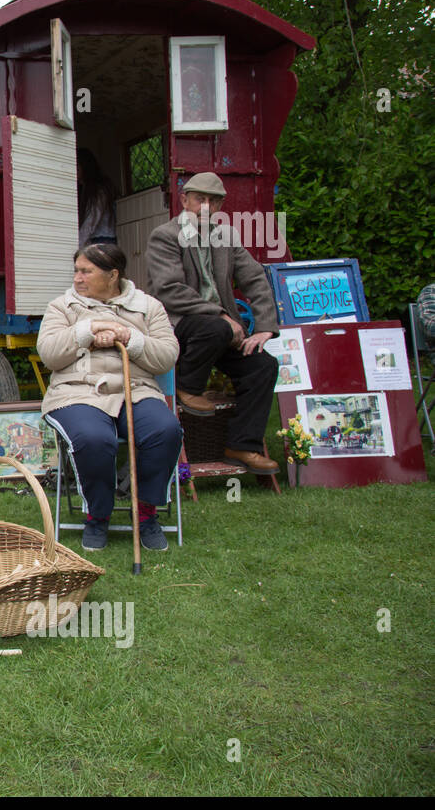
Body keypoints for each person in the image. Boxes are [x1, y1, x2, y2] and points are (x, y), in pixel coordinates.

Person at [38, 242, 183, 552]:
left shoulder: (148, 307)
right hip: (77, 391)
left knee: (164, 430)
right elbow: (50, 355)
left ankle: (146, 514)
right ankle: (97, 515)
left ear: (113, 275)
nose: (77, 278)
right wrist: (89, 329)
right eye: (76, 270)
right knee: (93, 437)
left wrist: (128, 336)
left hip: (137, 390)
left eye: (86, 271)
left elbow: (167, 356)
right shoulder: (61, 307)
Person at [146, 171, 280, 473]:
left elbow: (255, 279)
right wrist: (221, 315)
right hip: (178, 325)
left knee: (263, 365)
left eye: (214, 202)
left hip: (219, 332)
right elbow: (169, 290)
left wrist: (264, 328)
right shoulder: (165, 236)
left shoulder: (226, 238)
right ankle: (188, 386)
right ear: (184, 200)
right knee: (217, 327)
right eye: (199, 199)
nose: (206, 207)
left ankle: (243, 446)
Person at [77, 148, 117, 246]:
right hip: (96, 241)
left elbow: (91, 220)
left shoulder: (100, 190)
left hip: (103, 241)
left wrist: (76, 246)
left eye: (77, 168)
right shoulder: (86, 190)